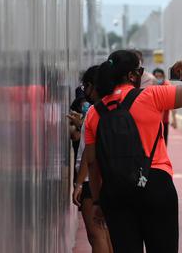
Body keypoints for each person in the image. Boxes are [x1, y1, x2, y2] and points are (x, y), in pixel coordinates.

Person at [82, 50, 182, 253]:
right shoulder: (151, 96)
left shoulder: (95, 112)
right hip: (155, 182)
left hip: (115, 190)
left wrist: (97, 201)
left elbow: (92, 163)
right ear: (132, 75)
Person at [71, 65, 112, 253]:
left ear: (91, 86)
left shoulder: (95, 113)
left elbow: (90, 154)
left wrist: (79, 184)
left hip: (92, 183)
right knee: (109, 236)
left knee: (96, 236)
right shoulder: (114, 109)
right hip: (112, 180)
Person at [151, 67, 170, 143]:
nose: (158, 78)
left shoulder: (167, 85)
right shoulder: (150, 87)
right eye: (156, 77)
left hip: (164, 120)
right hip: (153, 121)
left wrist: (174, 119)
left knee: (164, 141)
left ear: (163, 76)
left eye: (160, 76)